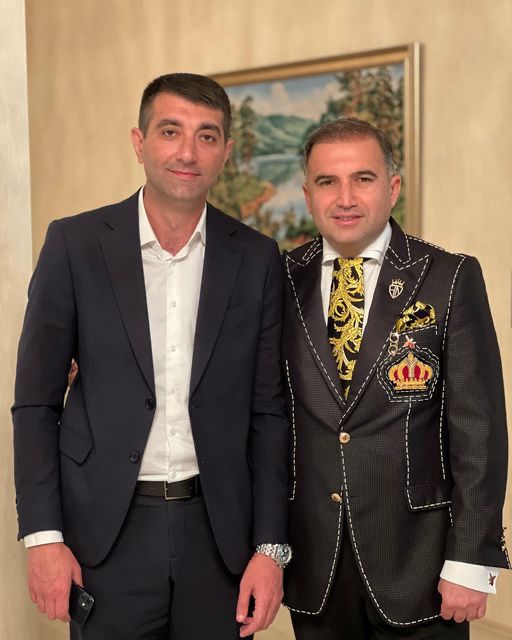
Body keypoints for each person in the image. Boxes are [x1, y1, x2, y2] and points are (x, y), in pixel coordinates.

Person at [12, 72, 291, 640]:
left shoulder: (258, 258)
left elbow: (269, 413)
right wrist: (43, 539)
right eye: (170, 131)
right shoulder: (74, 245)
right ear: (139, 143)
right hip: (104, 536)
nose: (188, 152)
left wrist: (271, 550)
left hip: (219, 538)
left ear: (226, 152)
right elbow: (35, 403)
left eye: (207, 136)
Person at [281, 117, 509, 639]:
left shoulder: (448, 277)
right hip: (314, 563)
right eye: (327, 181)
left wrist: (471, 559)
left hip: (421, 565)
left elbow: (479, 430)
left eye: (362, 178)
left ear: (392, 187)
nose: (345, 198)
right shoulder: (280, 279)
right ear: (308, 195)